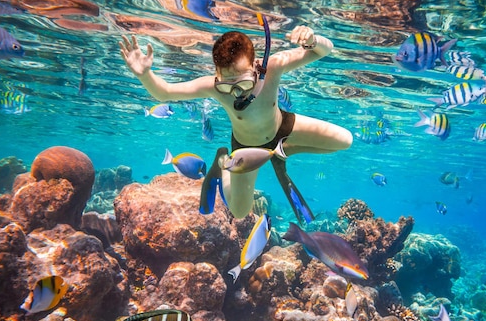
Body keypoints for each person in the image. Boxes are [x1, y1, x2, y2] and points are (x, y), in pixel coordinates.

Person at [119, 20, 353, 220]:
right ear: (217, 74)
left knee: (345, 141)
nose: (237, 93)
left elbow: (323, 51)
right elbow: (165, 93)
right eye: (227, 84)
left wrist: (313, 40)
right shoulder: (212, 86)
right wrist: (145, 74)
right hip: (245, 147)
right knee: (240, 212)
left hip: (283, 127)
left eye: (243, 83)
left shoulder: (272, 66)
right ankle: (225, 163)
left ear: (255, 66)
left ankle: (284, 150)